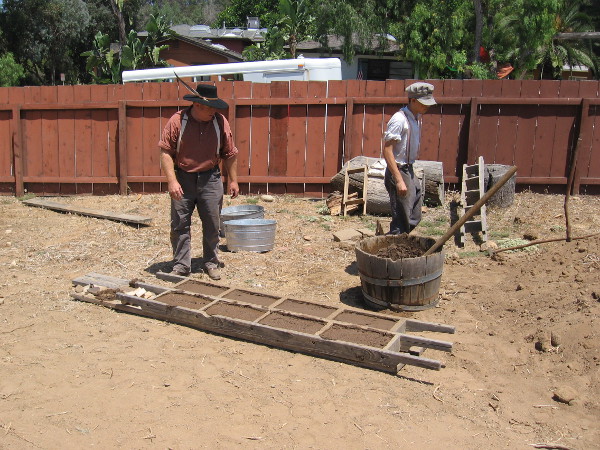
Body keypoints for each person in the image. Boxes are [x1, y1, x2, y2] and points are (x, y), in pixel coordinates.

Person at [158, 83, 239, 280]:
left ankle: (211, 262)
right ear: (198, 106)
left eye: (214, 108)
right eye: (209, 108)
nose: (213, 111)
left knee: (212, 224)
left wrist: (233, 181)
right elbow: (165, 152)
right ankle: (181, 265)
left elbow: (229, 153)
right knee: (180, 224)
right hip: (183, 178)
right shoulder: (178, 121)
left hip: (211, 178)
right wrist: (172, 181)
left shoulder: (219, 122)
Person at [382, 82, 436, 235]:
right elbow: (387, 150)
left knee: (415, 212)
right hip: (399, 170)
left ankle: (401, 238)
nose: (427, 106)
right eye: (423, 103)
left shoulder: (414, 118)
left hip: (409, 169)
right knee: (401, 217)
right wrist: (398, 180)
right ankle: (395, 245)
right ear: (413, 100)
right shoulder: (399, 119)